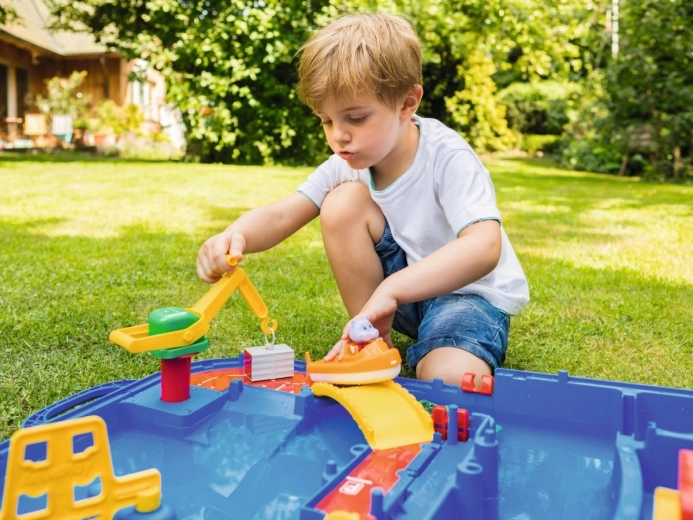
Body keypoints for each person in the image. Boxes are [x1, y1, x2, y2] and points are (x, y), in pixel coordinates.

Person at [196, 12, 529, 386]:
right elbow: (281, 215)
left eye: (355, 118)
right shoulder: (346, 164)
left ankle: (435, 346)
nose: (338, 135)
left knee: (446, 377)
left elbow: (484, 247)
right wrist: (234, 236)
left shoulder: (447, 156)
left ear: (407, 103)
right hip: (397, 300)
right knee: (341, 204)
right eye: (326, 120)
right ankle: (372, 342)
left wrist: (391, 289)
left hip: (467, 296)